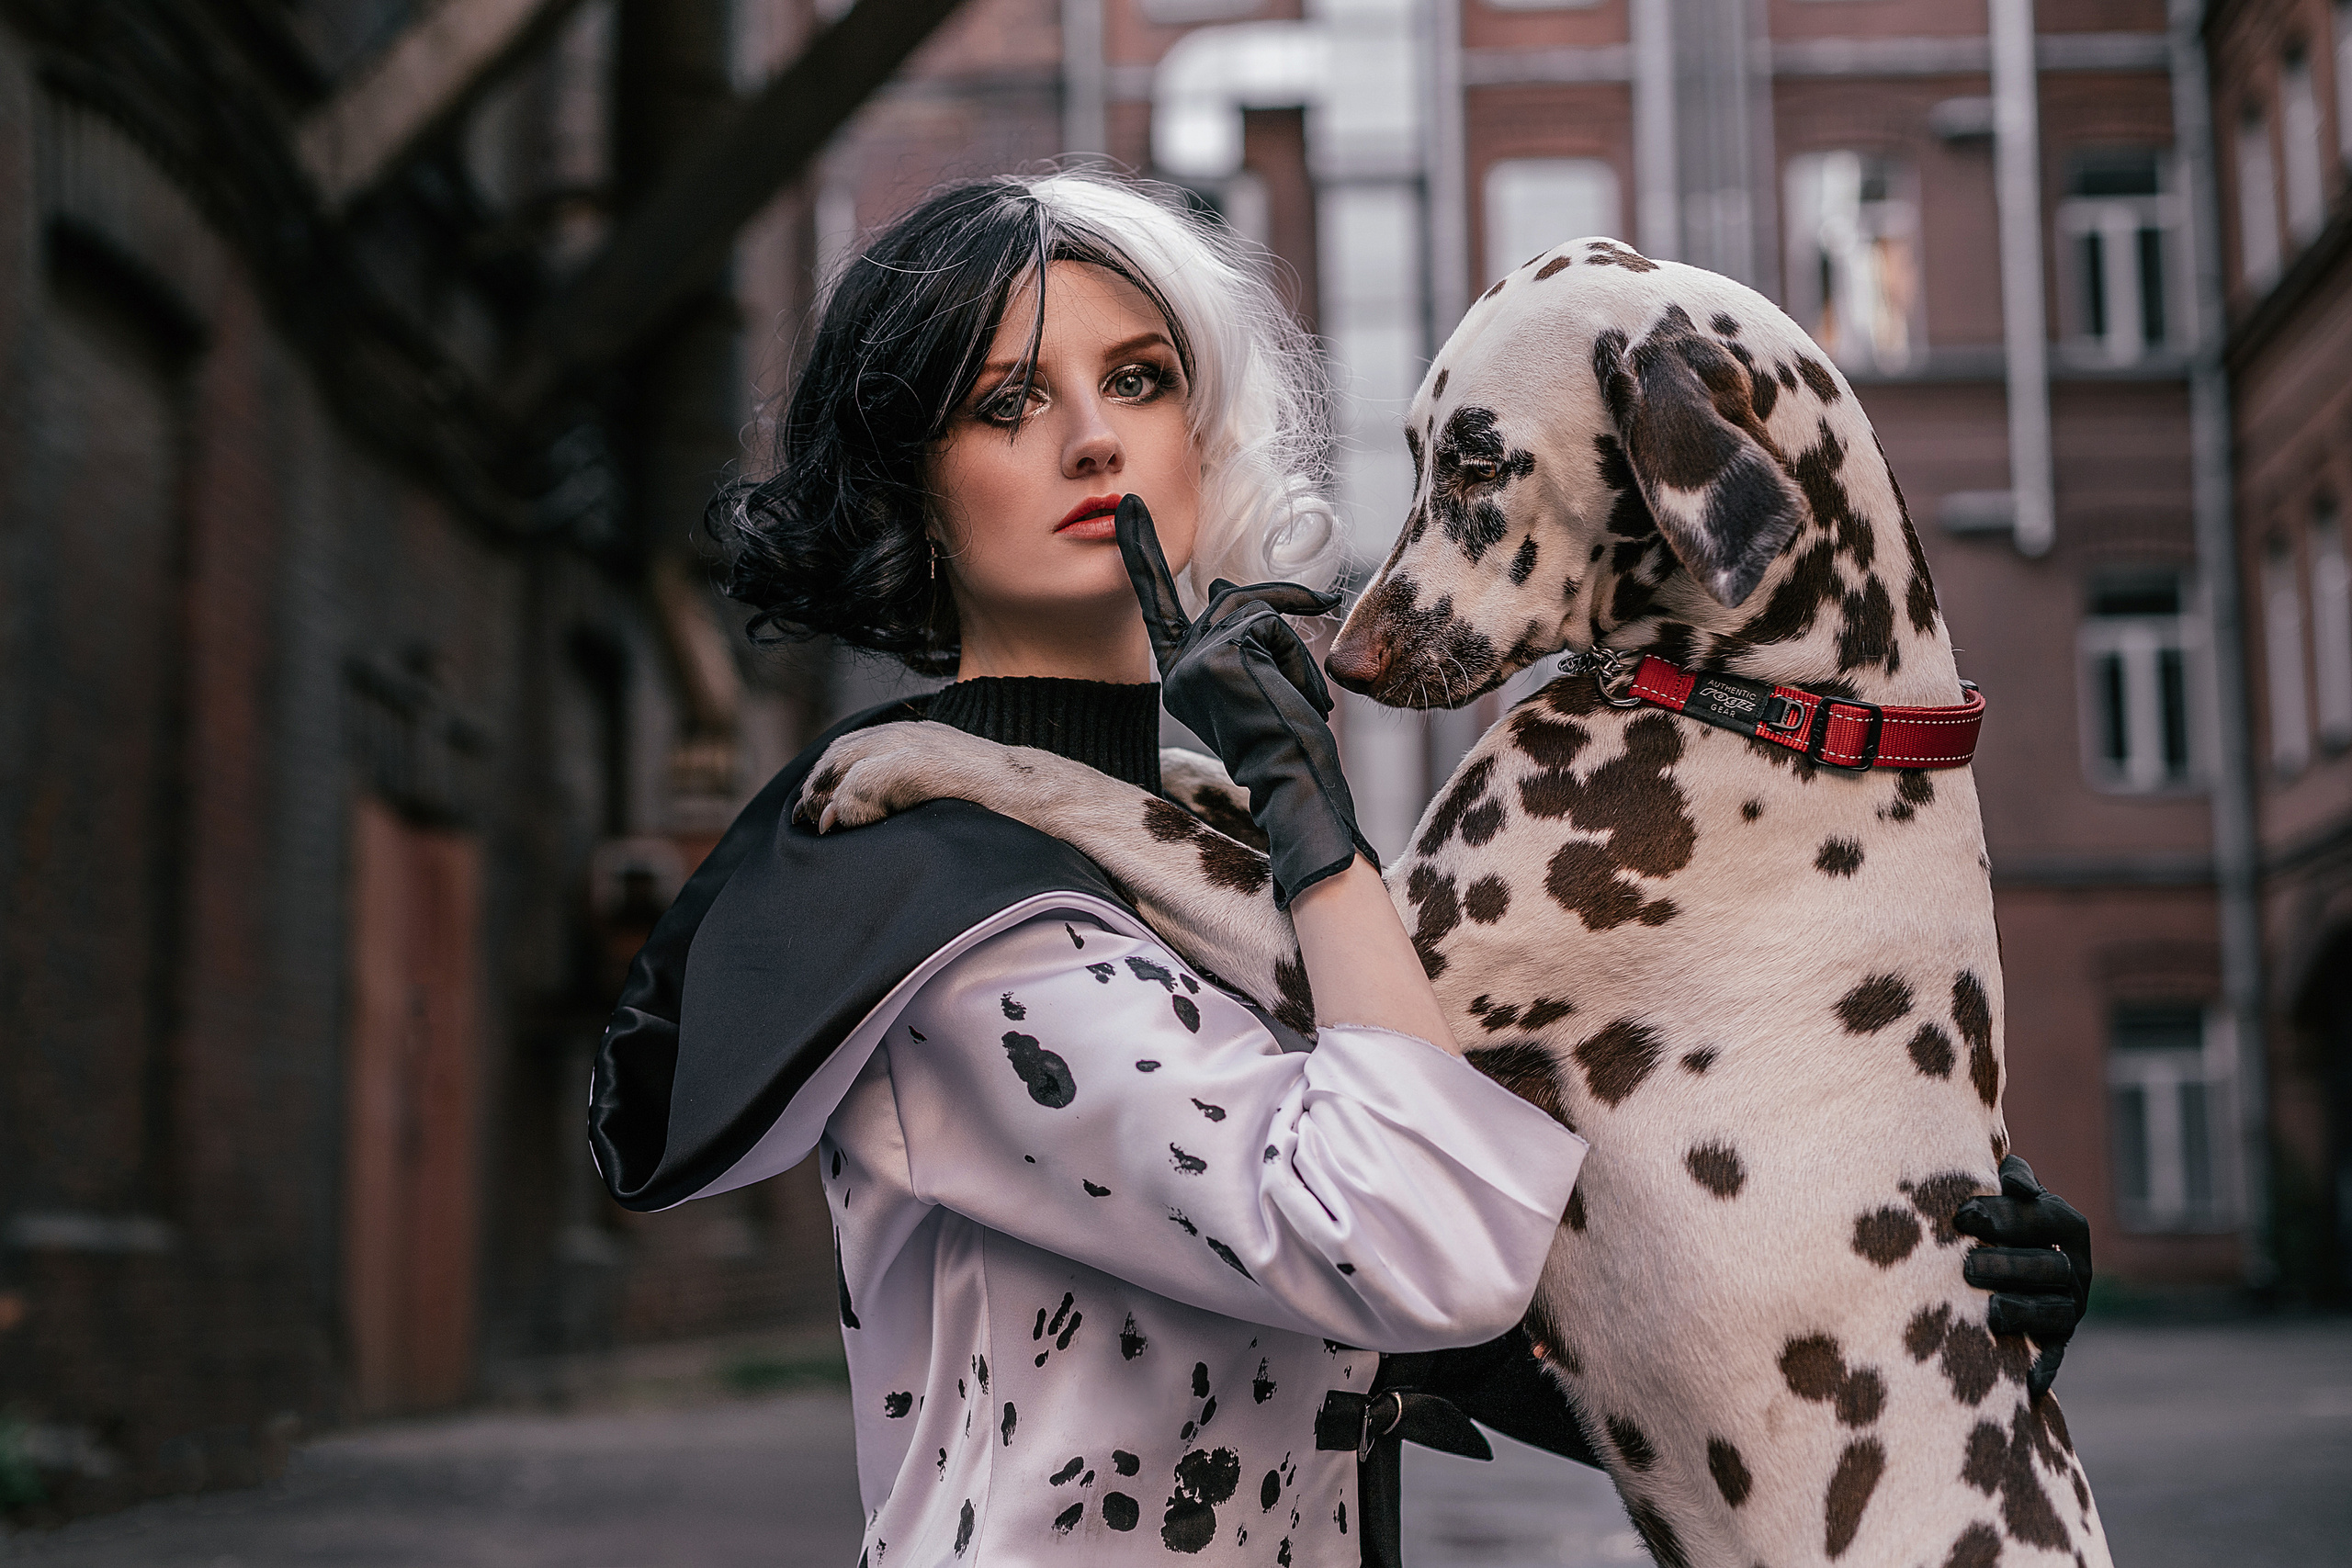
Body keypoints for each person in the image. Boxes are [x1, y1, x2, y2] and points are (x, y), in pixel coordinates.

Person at [588, 170, 2091, 1568]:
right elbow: (1403, 1236)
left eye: (1138, 378)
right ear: (911, 487)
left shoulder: (1188, 840)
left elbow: (1495, 1321)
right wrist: (1312, 840)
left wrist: (1900, 1308)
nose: (1092, 439)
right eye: (1005, 401)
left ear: (1206, 431)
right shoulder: (941, 906)